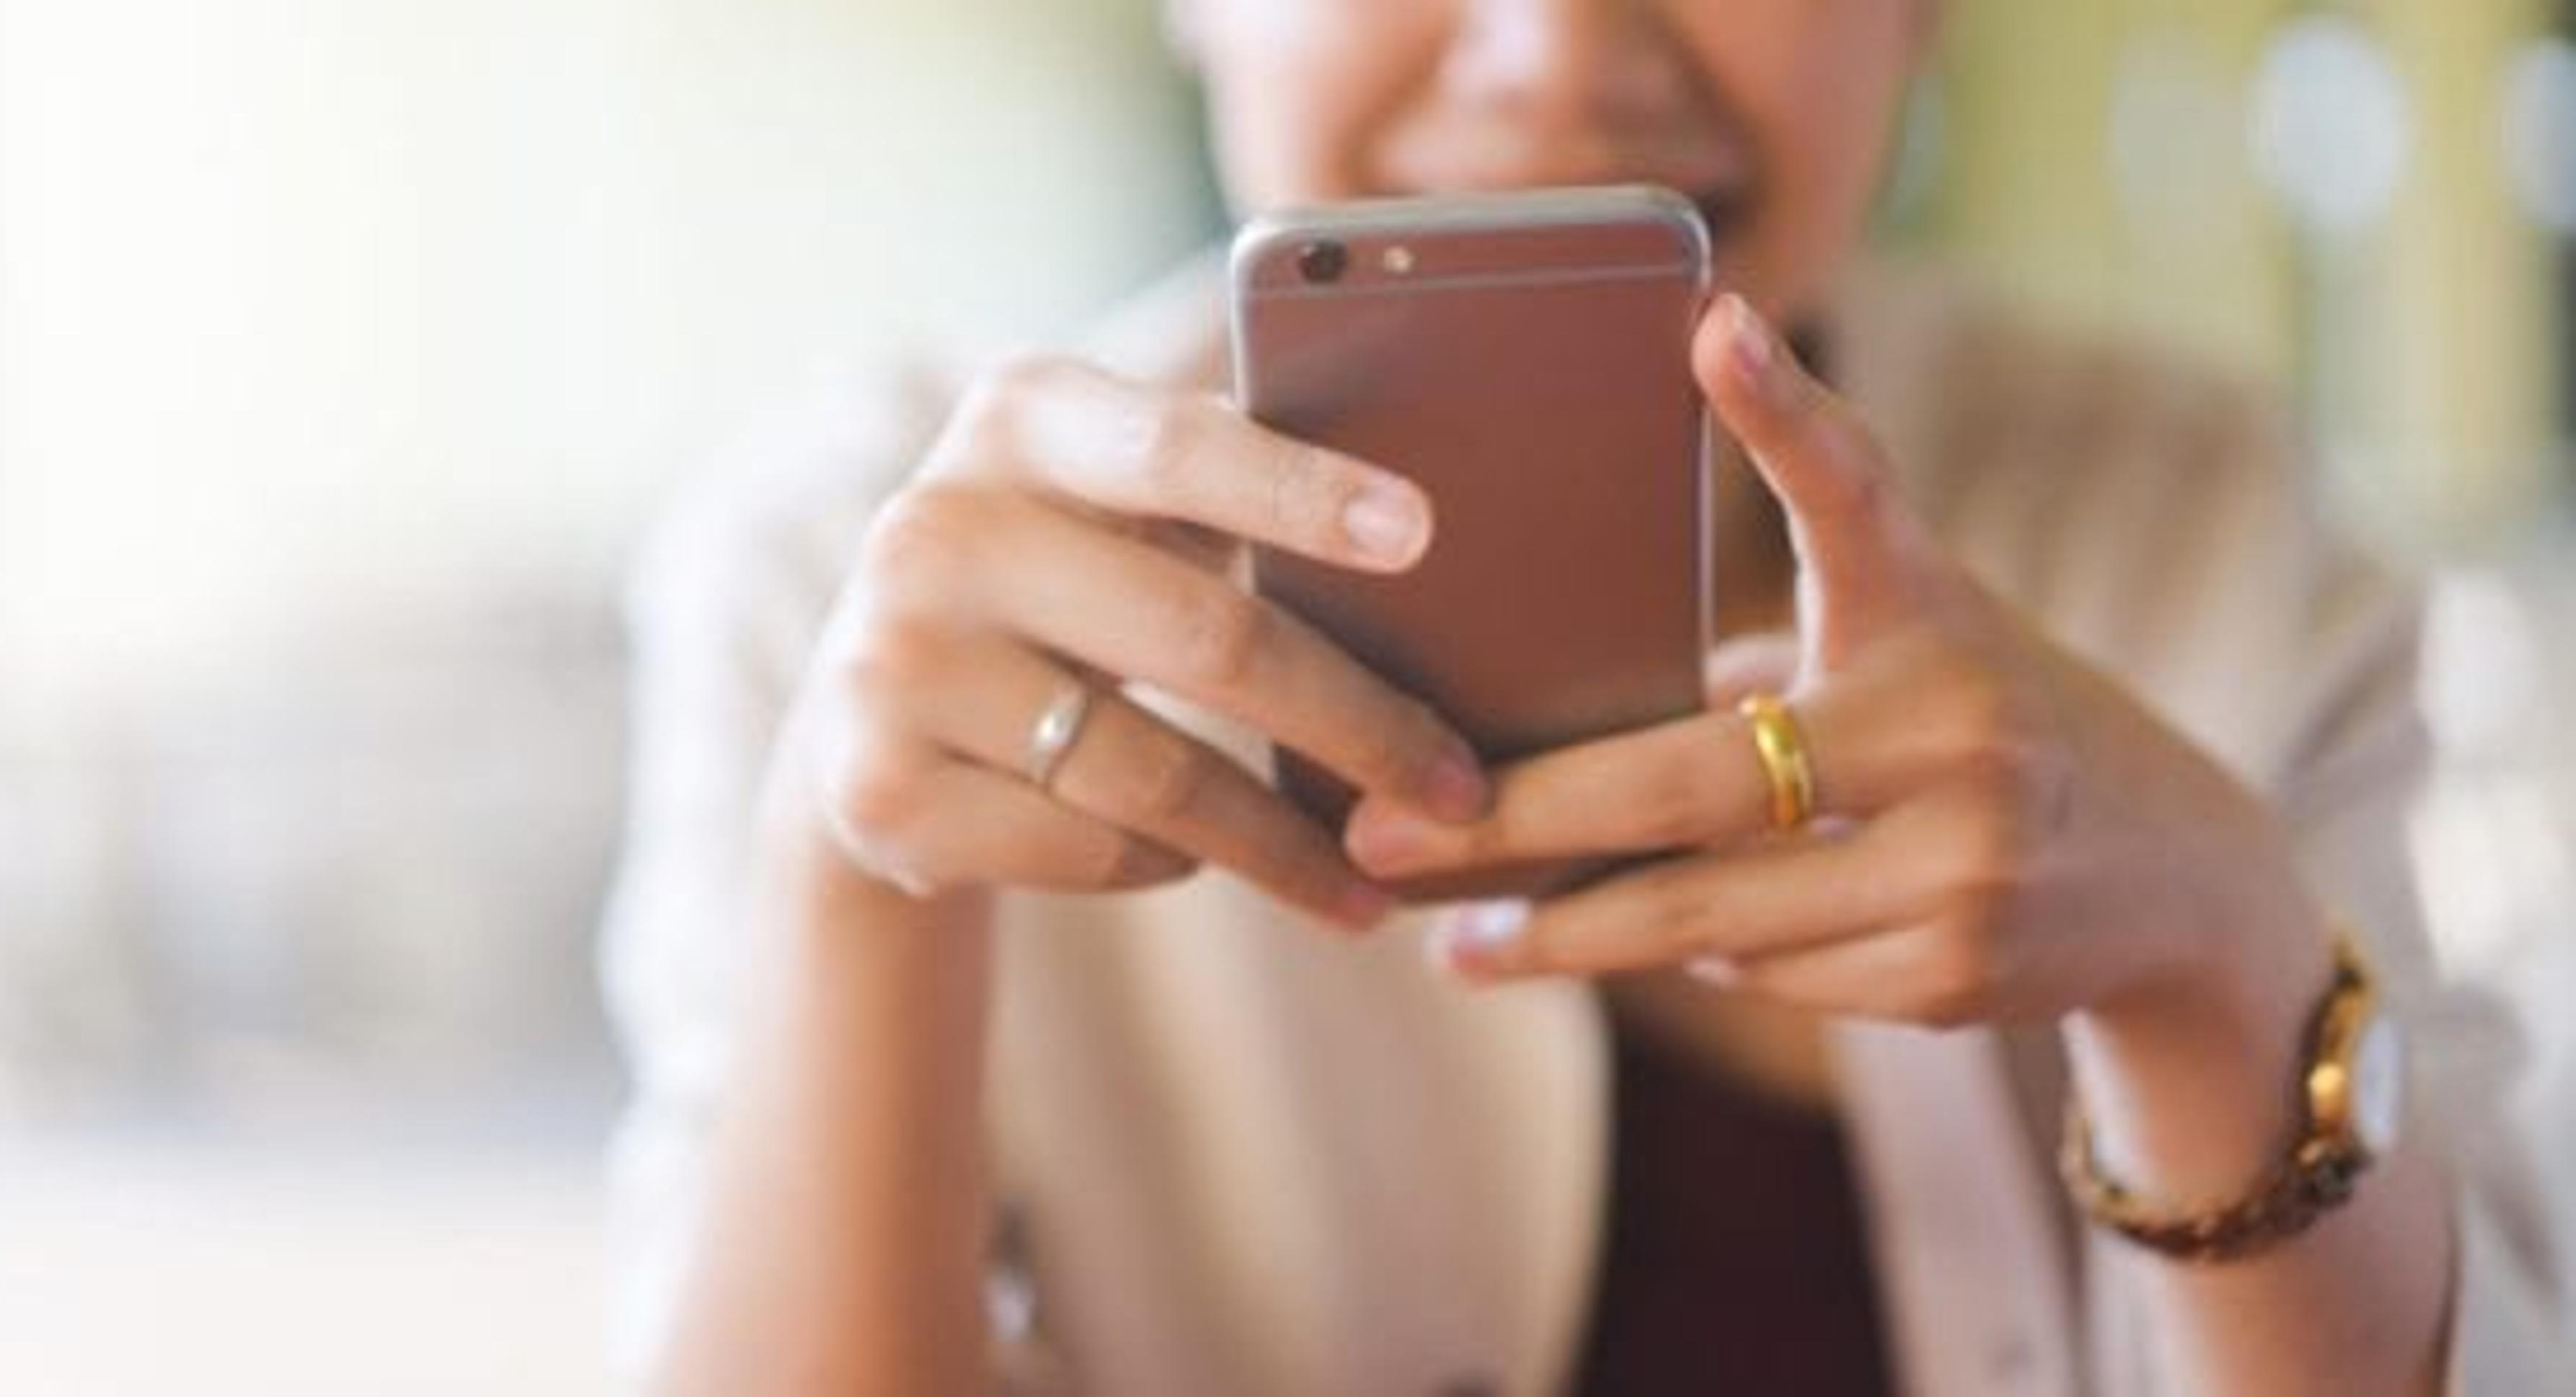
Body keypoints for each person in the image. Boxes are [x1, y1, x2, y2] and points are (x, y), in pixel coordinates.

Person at [602, 1, 2569, 1392]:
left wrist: (2222, 961)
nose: (1554, 45)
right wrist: (863, 895)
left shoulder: (2219, 529)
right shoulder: (846, 578)